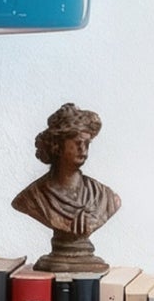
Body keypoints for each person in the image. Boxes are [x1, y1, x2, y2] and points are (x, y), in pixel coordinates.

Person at [12, 103, 120, 270]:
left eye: (87, 144)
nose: (83, 149)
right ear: (58, 145)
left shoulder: (105, 196)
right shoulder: (33, 197)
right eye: (77, 143)